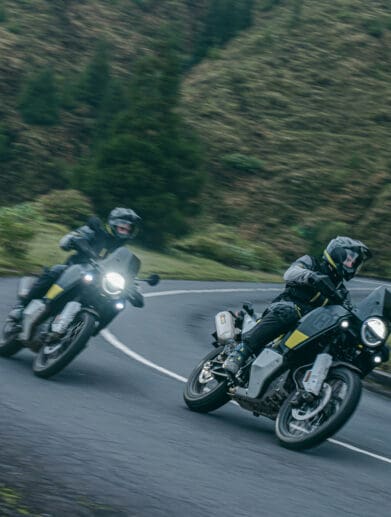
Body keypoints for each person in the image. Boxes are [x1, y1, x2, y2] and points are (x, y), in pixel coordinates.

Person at [223, 236, 372, 375]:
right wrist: (311, 276)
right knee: (289, 312)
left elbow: (347, 311)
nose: (352, 265)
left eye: (355, 262)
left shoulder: (342, 292)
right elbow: (290, 273)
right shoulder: (312, 263)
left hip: (311, 327)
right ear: (337, 254)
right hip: (288, 306)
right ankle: (241, 352)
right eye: (350, 259)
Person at [10, 207, 142, 321]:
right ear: (113, 224)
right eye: (122, 227)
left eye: (127, 229)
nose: (124, 231)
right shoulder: (95, 231)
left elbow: (125, 273)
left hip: (97, 284)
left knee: (118, 302)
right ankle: (22, 306)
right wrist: (78, 241)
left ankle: (85, 328)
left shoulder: (122, 252)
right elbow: (65, 242)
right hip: (73, 270)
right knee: (56, 270)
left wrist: (134, 288)